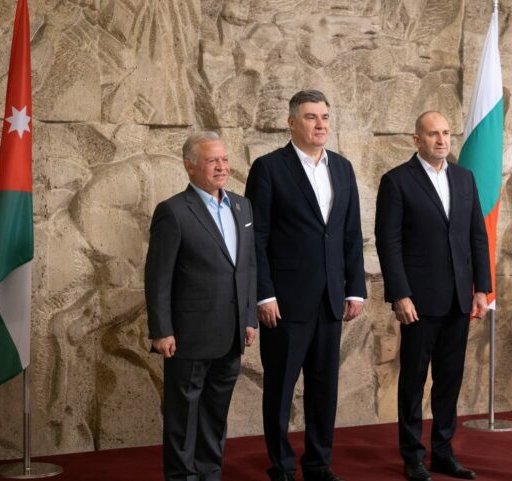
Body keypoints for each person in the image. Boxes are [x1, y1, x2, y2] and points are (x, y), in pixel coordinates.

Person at [245, 90, 366, 481]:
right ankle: (281, 465)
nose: (320, 124)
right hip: (284, 302)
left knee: (323, 388)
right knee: (280, 389)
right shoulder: (268, 168)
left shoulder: (342, 168)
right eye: (312, 117)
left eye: (325, 117)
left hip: (331, 299)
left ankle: (318, 463)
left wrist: (355, 288)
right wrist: (264, 293)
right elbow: (256, 238)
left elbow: (350, 233)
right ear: (292, 122)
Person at [375, 111, 491, 481]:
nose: (441, 140)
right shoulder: (397, 181)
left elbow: (477, 236)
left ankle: (443, 453)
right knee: (412, 381)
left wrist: (482, 288)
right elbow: (389, 243)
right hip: (418, 302)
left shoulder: (464, 178)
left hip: (459, 298)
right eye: (432, 134)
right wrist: (400, 295)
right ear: (417, 139)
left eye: (445, 133)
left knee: (449, 380)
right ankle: (413, 456)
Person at [145, 131, 257, 481]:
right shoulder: (173, 211)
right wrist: (161, 330)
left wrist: (249, 318)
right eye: (212, 161)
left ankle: (210, 473)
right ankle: (181, 477)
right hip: (189, 335)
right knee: (183, 415)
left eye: (224, 159)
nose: (222, 167)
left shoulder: (242, 205)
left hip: (232, 331)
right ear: (189, 166)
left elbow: (249, 266)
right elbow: (158, 276)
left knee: (215, 414)